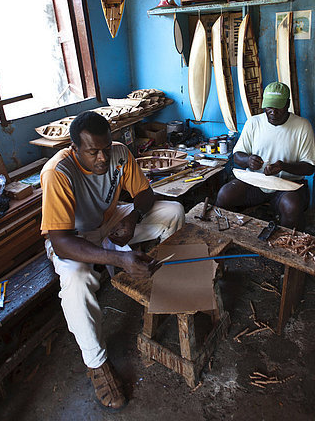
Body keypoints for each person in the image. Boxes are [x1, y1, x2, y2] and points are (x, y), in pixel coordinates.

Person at [40, 111, 185, 410]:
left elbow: (145, 195)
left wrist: (133, 218)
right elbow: (61, 242)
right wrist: (119, 259)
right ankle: (97, 364)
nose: (103, 158)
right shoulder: (59, 172)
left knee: (174, 211)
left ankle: (164, 282)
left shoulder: (119, 153)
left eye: (106, 148)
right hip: (75, 238)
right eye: (93, 152)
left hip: (111, 220)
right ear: (74, 147)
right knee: (77, 282)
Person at [215, 82, 315, 230]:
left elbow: (309, 168)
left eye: (278, 107)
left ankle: (287, 247)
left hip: (287, 185)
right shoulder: (254, 122)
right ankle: (226, 234)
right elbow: (237, 156)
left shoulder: (302, 126)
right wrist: (248, 160)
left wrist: (283, 166)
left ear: (288, 104)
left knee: (292, 207)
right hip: (256, 181)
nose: (273, 112)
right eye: (269, 107)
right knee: (225, 195)